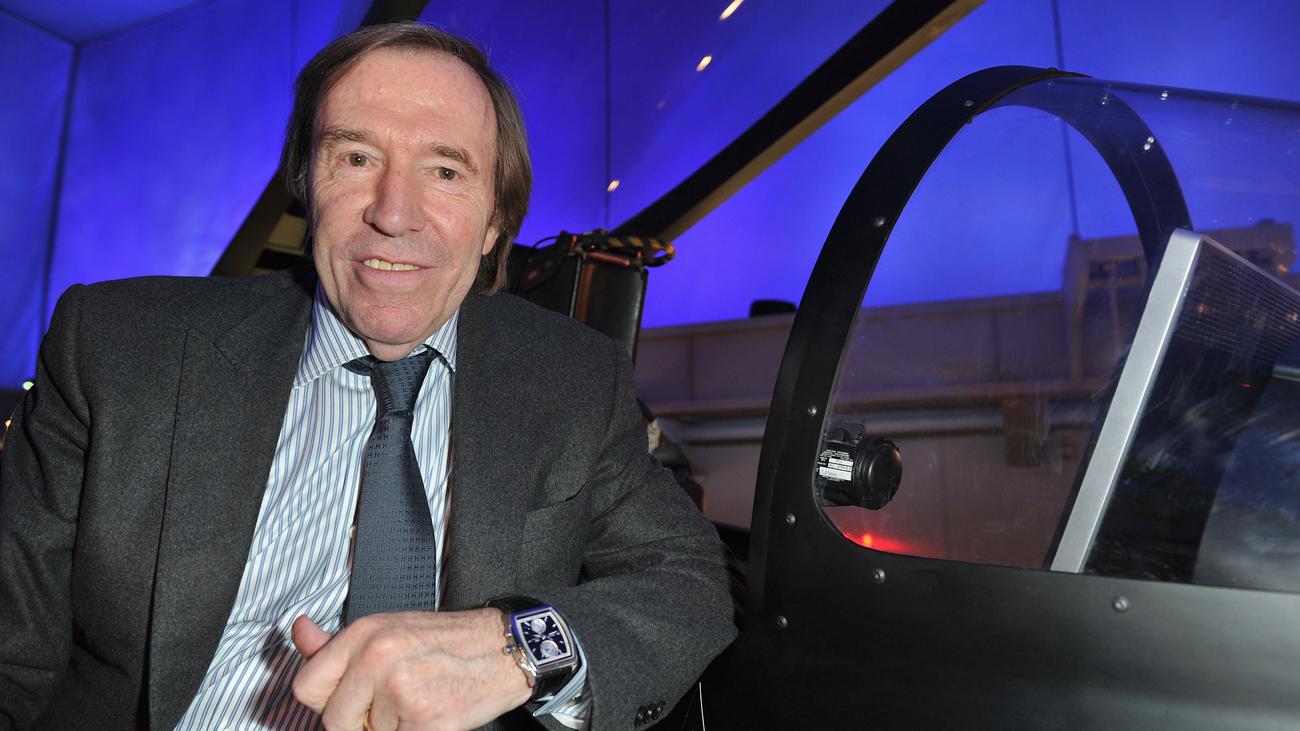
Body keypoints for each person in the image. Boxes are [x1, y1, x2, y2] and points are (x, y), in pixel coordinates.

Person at [0, 21, 735, 731]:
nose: (394, 214)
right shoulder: (119, 347)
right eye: (355, 158)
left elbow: (690, 581)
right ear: (306, 186)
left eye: (445, 171)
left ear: (493, 222)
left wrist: (516, 644)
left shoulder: (573, 376)